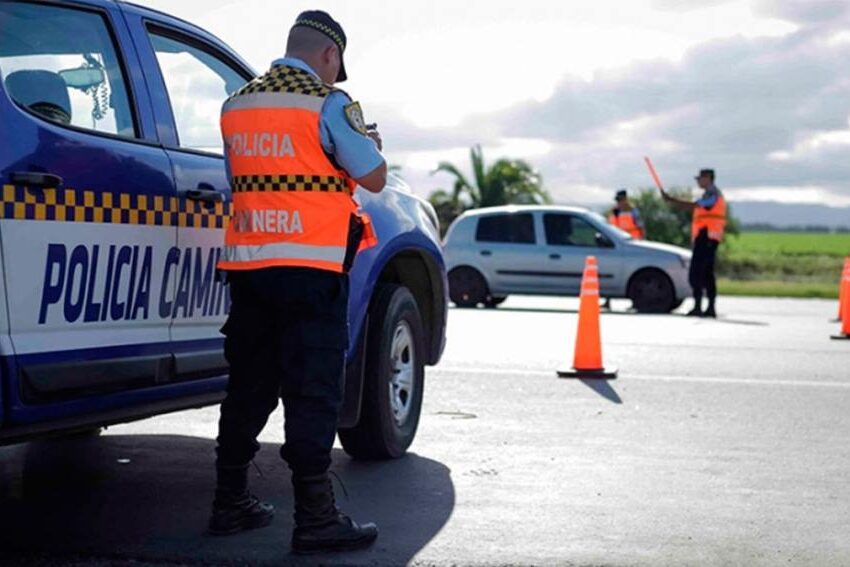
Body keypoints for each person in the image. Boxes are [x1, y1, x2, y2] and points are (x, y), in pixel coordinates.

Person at [209, 10, 386, 554]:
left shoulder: (234, 104)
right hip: (311, 271)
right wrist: (367, 141)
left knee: (249, 385)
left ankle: (229, 502)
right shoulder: (329, 103)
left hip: (250, 267)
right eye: (336, 67)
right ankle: (315, 518)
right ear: (330, 56)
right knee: (312, 391)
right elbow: (374, 176)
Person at [660, 168, 727, 318]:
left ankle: (704, 306)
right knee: (704, 273)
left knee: (699, 273)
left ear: (708, 178)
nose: (698, 181)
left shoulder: (713, 194)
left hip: (707, 237)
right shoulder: (710, 194)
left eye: (700, 178)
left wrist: (672, 200)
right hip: (705, 237)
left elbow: (696, 206)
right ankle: (704, 307)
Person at [602, 189, 645, 309]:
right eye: (617, 200)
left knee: (633, 274)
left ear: (626, 199)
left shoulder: (633, 212)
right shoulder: (614, 213)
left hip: (632, 246)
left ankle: (635, 301)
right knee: (611, 272)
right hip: (616, 247)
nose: (619, 202)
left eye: (620, 200)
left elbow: (641, 228)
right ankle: (607, 300)